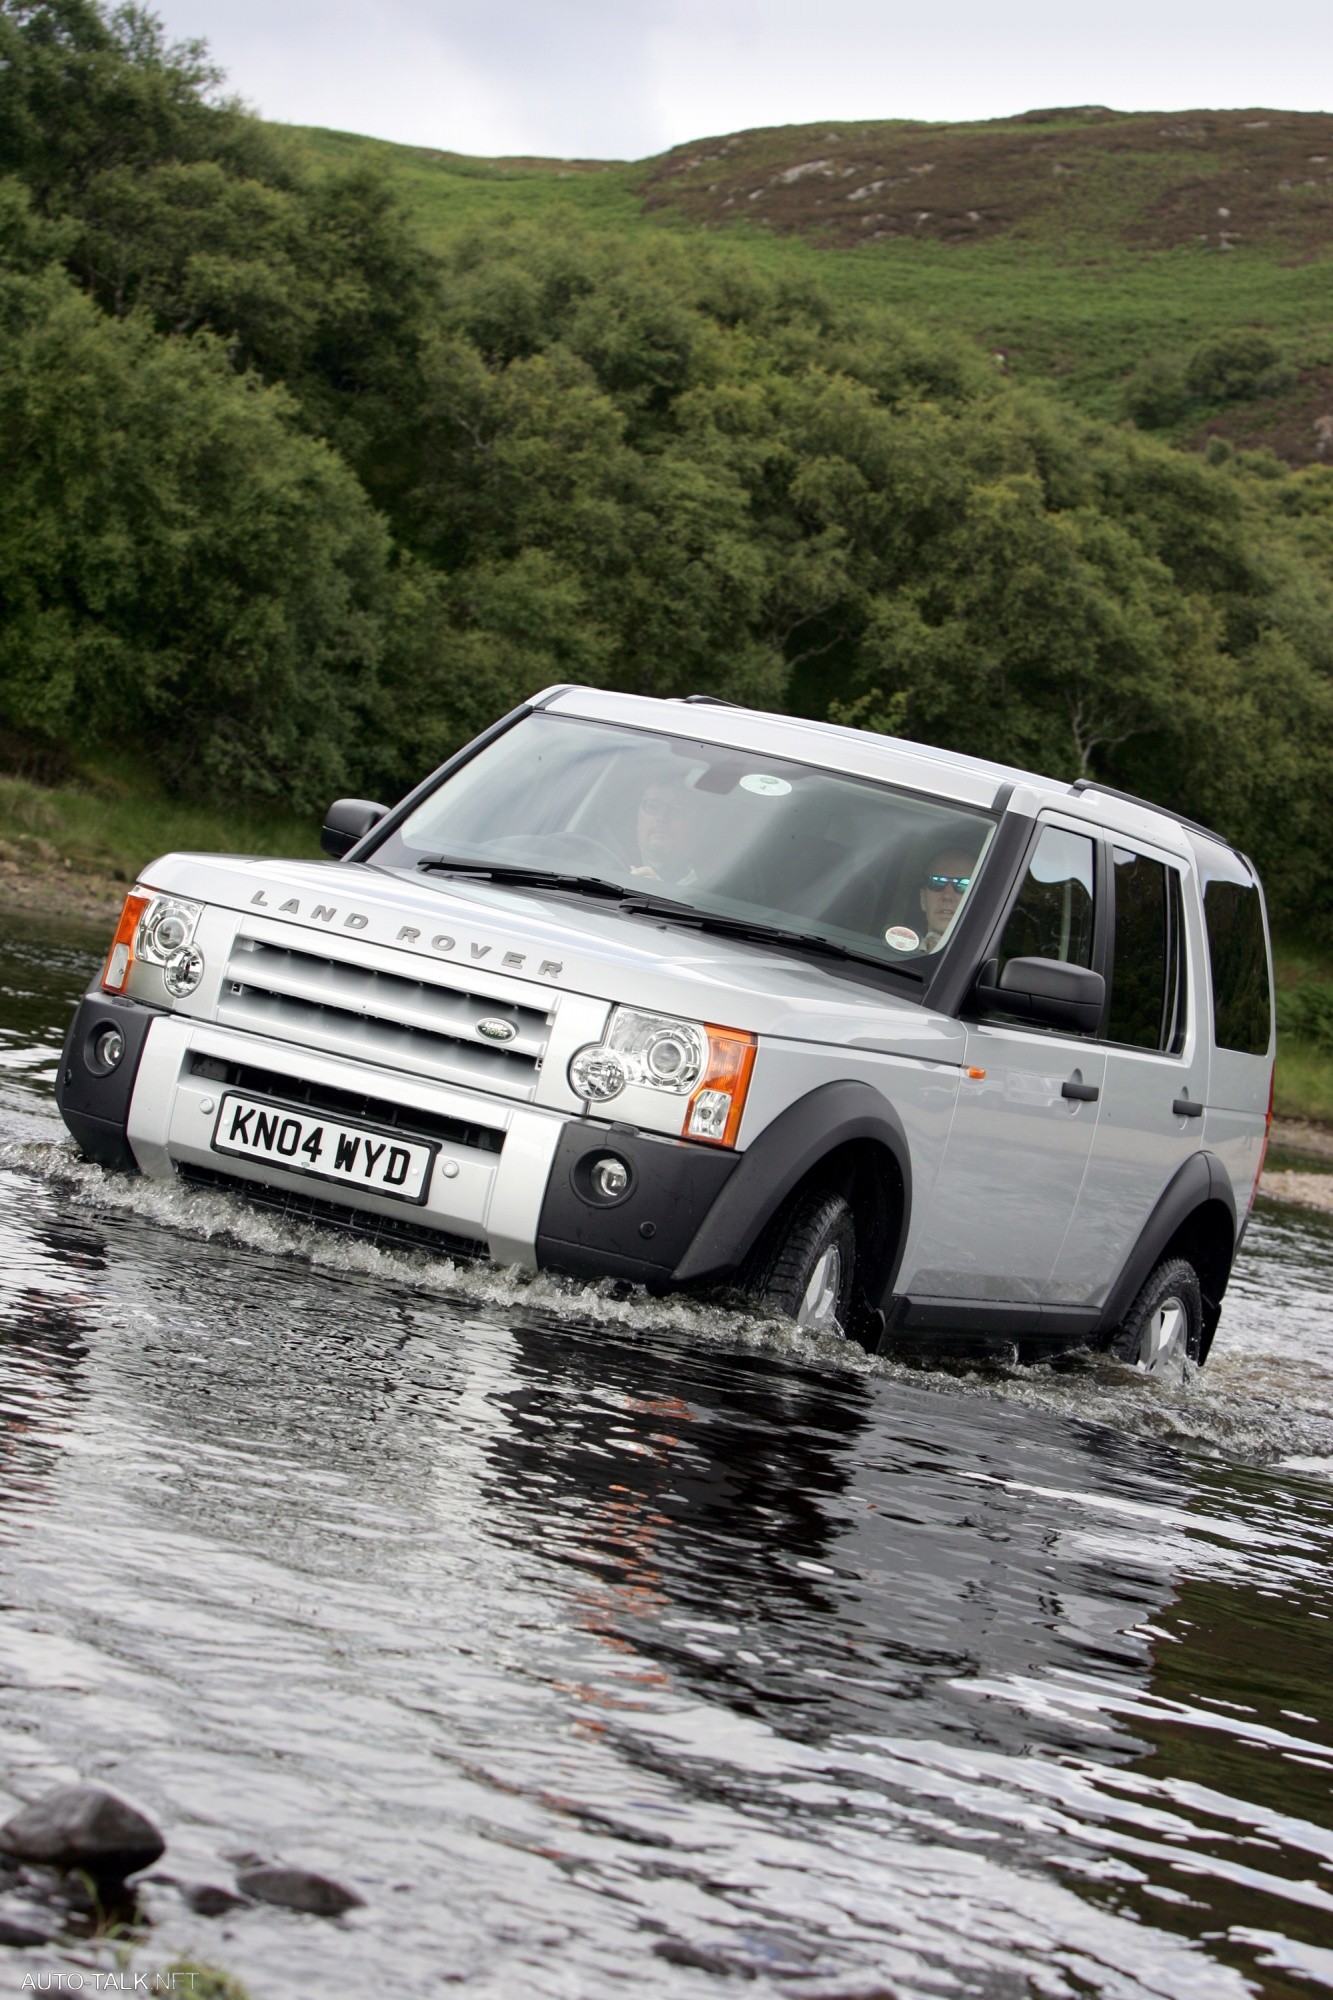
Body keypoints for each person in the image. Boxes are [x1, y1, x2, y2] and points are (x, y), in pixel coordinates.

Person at [631, 777, 702, 888]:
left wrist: (660, 892)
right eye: (652, 806)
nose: (662, 817)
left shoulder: (710, 887)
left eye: (676, 809)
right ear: (637, 815)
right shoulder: (603, 864)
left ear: (695, 823)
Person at [918, 848, 977, 952]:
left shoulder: (981, 963)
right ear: (923, 899)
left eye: (963, 884)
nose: (947, 896)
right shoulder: (895, 956)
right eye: (937, 882)